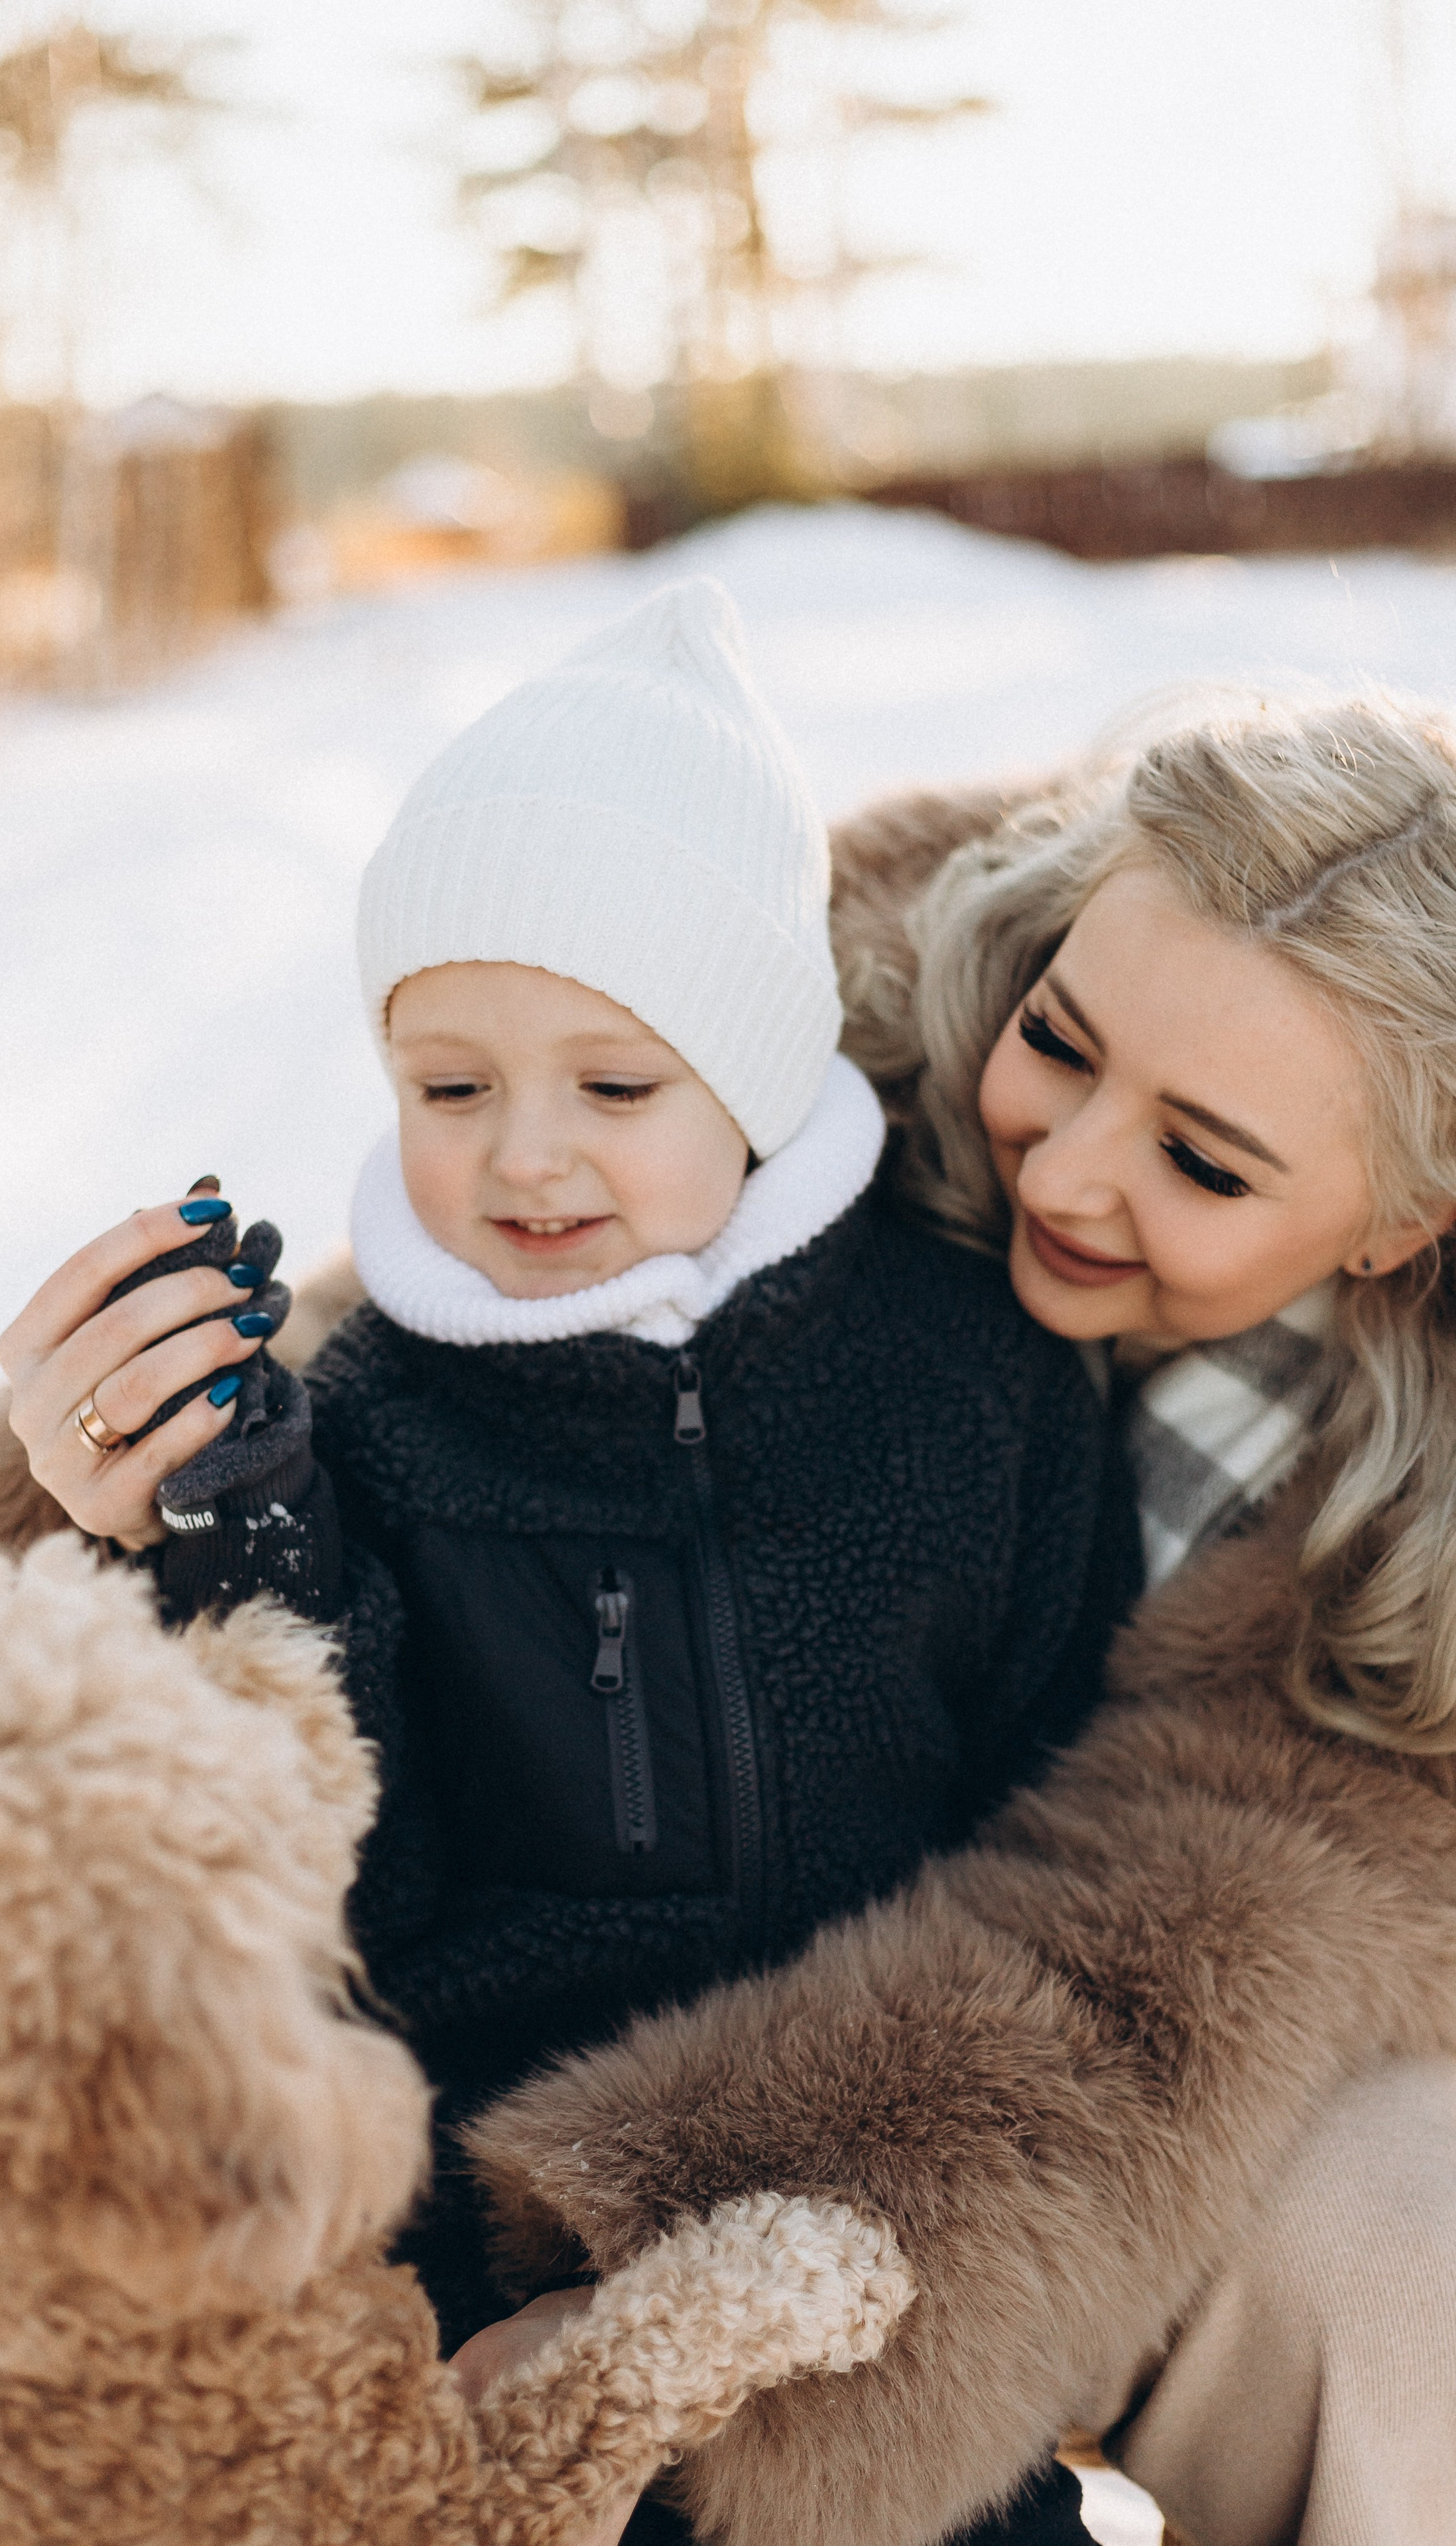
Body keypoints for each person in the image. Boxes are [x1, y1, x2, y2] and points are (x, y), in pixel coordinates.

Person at [0, 581, 1139, 2546]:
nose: (524, 1160)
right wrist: (252, 1542)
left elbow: (1064, 1822)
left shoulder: (974, 1369)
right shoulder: (365, 1418)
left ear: (764, 1078)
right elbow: (352, 1885)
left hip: (877, 2262)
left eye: (616, 1086)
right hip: (485, 2288)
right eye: (450, 1086)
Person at [465, 692, 1456, 2546]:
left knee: (1416, 2255)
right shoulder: (833, 1050)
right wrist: (157, 1460)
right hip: (646, 1897)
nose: (1065, 1169)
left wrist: (698, 2292)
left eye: (1206, 1163)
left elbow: (1161, 1963)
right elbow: (444, 1352)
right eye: (1060, 1043)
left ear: (1403, 1223)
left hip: (1105, 2082)